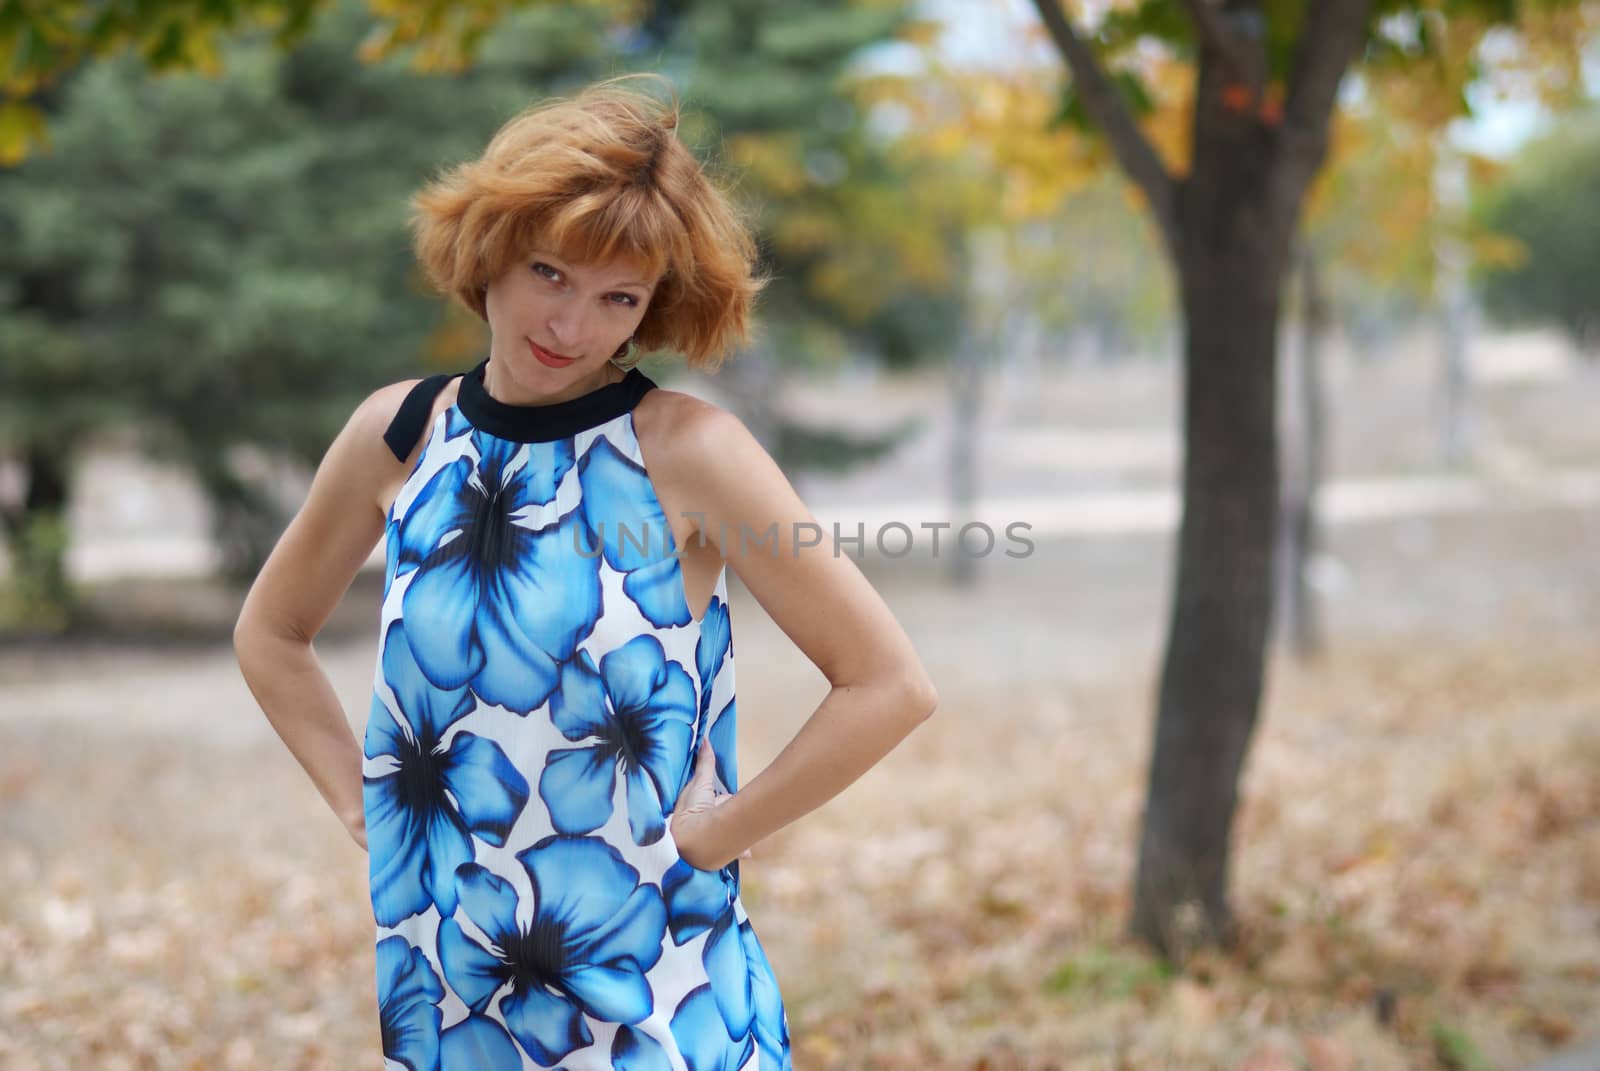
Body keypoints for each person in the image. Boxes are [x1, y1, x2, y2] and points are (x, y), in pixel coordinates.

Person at [233, 74, 938, 1071]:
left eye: (619, 298)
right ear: (490, 251)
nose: (573, 327)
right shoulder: (399, 435)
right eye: (550, 274)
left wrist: (711, 837)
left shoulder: (685, 451)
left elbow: (889, 684)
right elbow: (270, 635)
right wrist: (366, 803)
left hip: (659, 1000)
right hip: (448, 992)